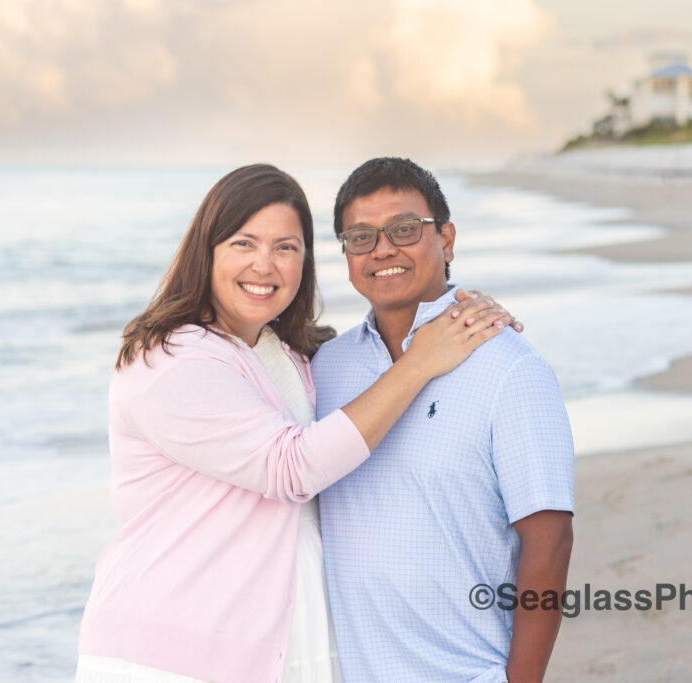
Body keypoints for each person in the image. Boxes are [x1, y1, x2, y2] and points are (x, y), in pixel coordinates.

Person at [77, 164, 517, 683]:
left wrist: (463, 317)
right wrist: (420, 360)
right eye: (244, 243)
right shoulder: (171, 360)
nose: (265, 265)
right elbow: (292, 467)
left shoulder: (290, 355)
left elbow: (366, 383)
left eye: (285, 247)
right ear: (207, 250)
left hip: (275, 642)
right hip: (169, 651)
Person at [312, 158, 574, 683]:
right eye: (360, 237)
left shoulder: (512, 369)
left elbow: (551, 540)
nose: (383, 249)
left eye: (405, 229)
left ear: (446, 240)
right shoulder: (324, 369)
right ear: (345, 256)